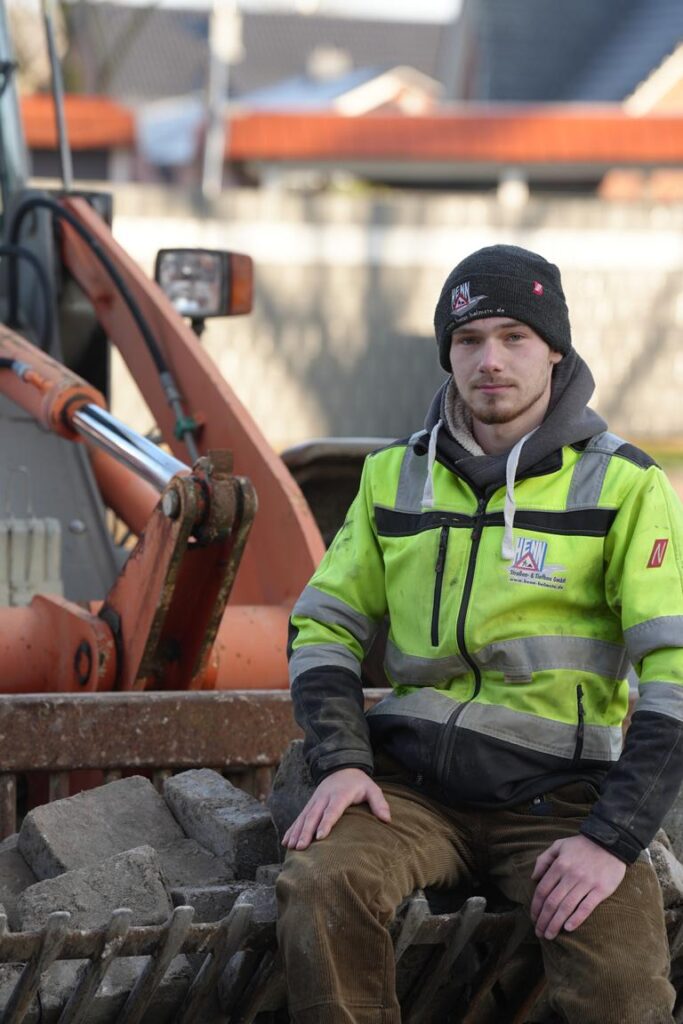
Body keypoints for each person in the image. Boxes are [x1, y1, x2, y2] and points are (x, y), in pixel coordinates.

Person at [277, 244, 683, 1024]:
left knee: (623, 986)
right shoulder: (391, 475)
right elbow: (323, 625)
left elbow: (672, 669)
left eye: (513, 337)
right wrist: (340, 760)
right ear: (447, 353)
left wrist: (612, 838)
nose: (488, 360)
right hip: (408, 793)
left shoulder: (624, 486)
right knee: (319, 886)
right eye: (468, 340)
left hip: (556, 802)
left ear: (554, 350)